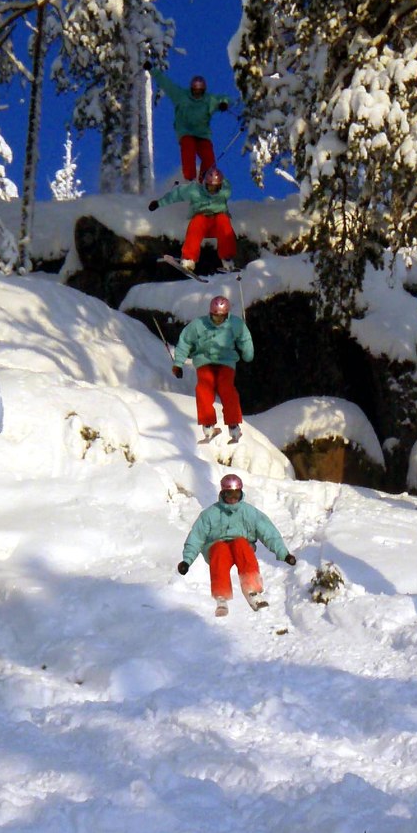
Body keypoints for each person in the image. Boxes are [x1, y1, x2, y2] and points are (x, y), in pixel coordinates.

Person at [177, 473, 297, 616]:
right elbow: (196, 537)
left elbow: (268, 533)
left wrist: (284, 554)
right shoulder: (210, 514)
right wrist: (187, 561)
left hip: (240, 548)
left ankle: (253, 590)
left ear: (241, 493)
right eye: (229, 495)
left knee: (240, 543)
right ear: (223, 494)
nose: (233, 499)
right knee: (220, 549)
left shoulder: (249, 512)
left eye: (236, 495)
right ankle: (221, 596)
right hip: (217, 547)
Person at [171, 294, 253, 443]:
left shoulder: (235, 324)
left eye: (221, 318)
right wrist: (178, 363)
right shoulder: (198, 324)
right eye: (215, 317)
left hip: (226, 361)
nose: (218, 320)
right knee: (203, 388)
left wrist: (248, 354)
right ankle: (208, 425)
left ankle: (233, 425)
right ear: (210, 313)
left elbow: (245, 338)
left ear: (227, 315)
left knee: (226, 388)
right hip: (205, 361)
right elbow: (185, 342)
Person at [144, 66, 230, 181]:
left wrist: (224, 103)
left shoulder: (209, 100)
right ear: (191, 89)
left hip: (203, 134)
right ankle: (190, 179)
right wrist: (151, 69)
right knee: (188, 149)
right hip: (186, 132)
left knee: (209, 158)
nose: (197, 94)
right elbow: (166, 84)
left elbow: (225, 98)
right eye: (195, 91)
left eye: (200, 92)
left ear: (203, 91)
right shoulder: (181, 96)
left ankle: (205, 180)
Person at [148, 166, 237, 273]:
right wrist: (159, 203)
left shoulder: (225, 190)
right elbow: (177, 194)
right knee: (197, 221)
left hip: (217, 225)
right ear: (204, 184)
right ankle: (188, 259)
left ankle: (227, 260)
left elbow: (225, 181)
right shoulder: (194, 190)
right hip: (202, 224)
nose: (212, 191)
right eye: (210, 187)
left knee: (223, 220)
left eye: (216, 188)